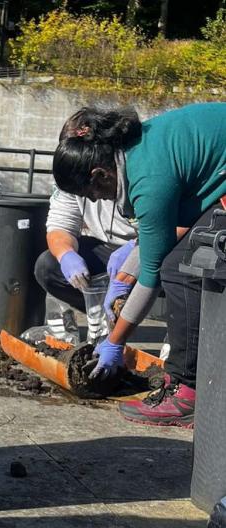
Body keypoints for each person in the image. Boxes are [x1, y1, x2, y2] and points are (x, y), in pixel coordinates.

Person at [52, 102, 226, 428]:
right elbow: (167, 232)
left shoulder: (148, 178)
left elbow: (152, 274)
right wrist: (123, 275)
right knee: (183, 258)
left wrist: (114, 342)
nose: (97, 201)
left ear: (99, 174)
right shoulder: (135, 152)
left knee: (181, 269)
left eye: (92, 195)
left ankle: (187, 392)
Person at [33, 184, 137, 341]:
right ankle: (104, 314)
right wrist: (66, 254)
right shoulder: (71, 180)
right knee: (48, 266)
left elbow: (167, 226)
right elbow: (60, 226)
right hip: (107, 247)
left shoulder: (137, 174)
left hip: (150, 246)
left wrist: (136, 249)